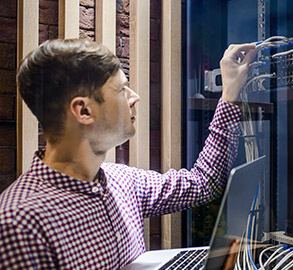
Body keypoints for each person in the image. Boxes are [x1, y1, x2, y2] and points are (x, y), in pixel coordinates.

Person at [0, 38, 256, 269]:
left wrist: (229, 95)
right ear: (84, 111)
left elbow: (203, 183)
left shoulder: (121, 181)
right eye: (121, 89)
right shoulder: (19, 224)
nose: (135, 97)